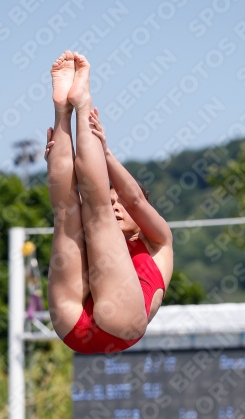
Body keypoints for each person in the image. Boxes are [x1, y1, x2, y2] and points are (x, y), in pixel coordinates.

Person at [45, 50, 173, 354]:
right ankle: (63, 107)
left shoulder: (158, 241)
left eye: (122, 205)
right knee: (70, 211)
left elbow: (135, 198)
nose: (118, 205)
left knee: (84, 211)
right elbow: (88, 197)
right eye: (114, 200)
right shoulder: (126, 246)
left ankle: (80, 102)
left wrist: (105, 151)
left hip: (83, 323)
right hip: (83, 325)